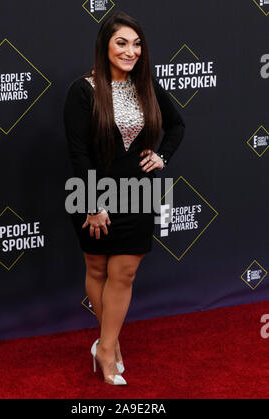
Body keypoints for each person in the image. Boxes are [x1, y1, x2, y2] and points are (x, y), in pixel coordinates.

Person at [64, 11, 185, 386]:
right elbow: (79, 152)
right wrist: (93, 203)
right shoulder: (83, 90)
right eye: (122, 42)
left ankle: (104, 346)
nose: (130, 51)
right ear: (105, 45)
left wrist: (162, 154)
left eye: (136, 44)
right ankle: (110, 349)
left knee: (125, 272)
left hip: (138, 193)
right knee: (98, 270)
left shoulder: (145, 86)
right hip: (93, 193)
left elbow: (177, 124)